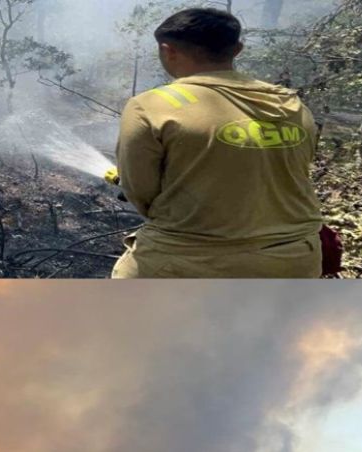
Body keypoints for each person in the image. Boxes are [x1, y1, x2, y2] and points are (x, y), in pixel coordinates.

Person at [111, 8, 325, 279]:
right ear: (237, 49)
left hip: (187, 260)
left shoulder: (151, 105)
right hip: (295, 259)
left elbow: (141, 193)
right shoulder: (290, 103)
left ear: (167, 50)